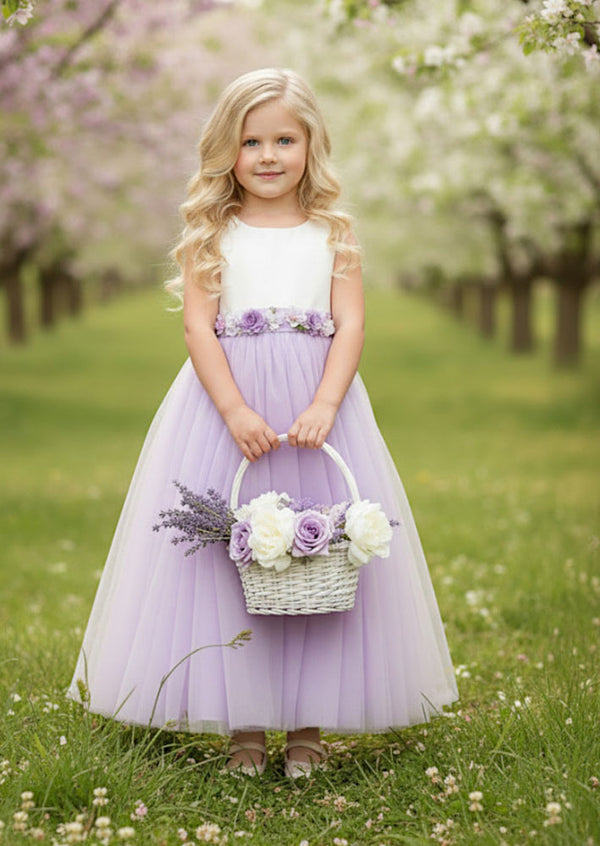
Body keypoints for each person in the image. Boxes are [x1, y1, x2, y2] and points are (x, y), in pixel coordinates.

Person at [67, 67, 458, 778]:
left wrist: (326, 404)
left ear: (312, 146)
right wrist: (236, 409)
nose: (269, 155)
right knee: (229, 558)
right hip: (228, 406)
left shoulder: (332, 231)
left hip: (315, 408)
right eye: (252, 141)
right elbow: (196, 326)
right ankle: (245, 728)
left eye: (285, 139)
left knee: (318, 557)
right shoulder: (213, 232)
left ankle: (306, 728)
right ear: (228, 149)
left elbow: (352, 322)